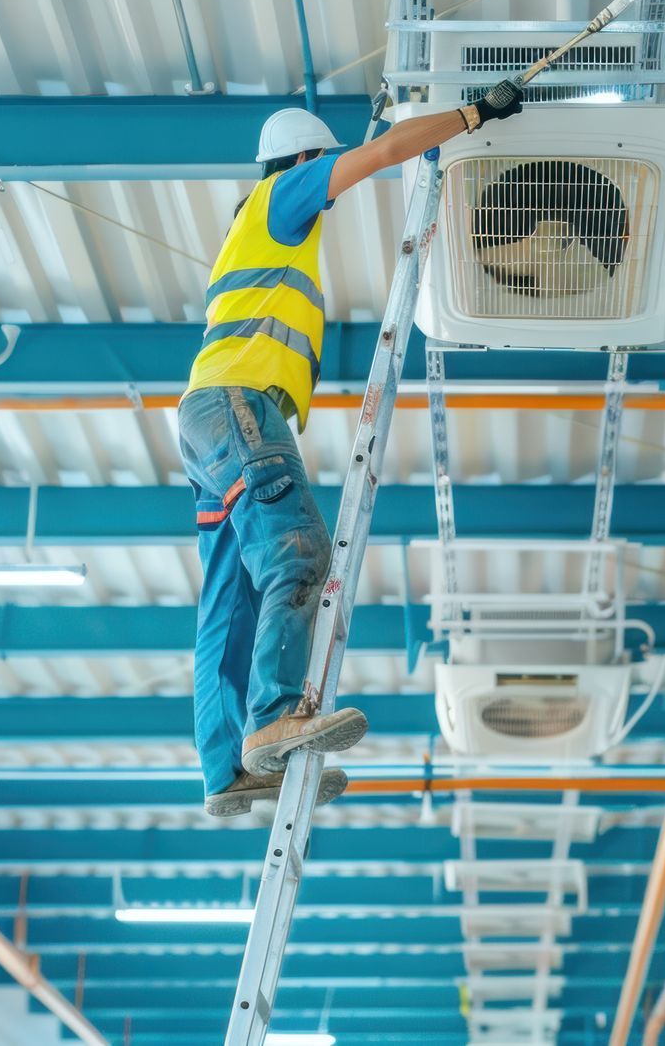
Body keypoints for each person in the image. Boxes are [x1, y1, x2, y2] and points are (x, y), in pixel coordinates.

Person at [183, 85, 526, 816]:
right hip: (242, 409)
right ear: (302, 160)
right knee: (298, 555)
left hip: (208, 422)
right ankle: (274, 716)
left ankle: (225, 769)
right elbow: (381, 154)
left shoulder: (253, 235)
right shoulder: (282, 196)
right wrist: (470, 116)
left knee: (230, 601)